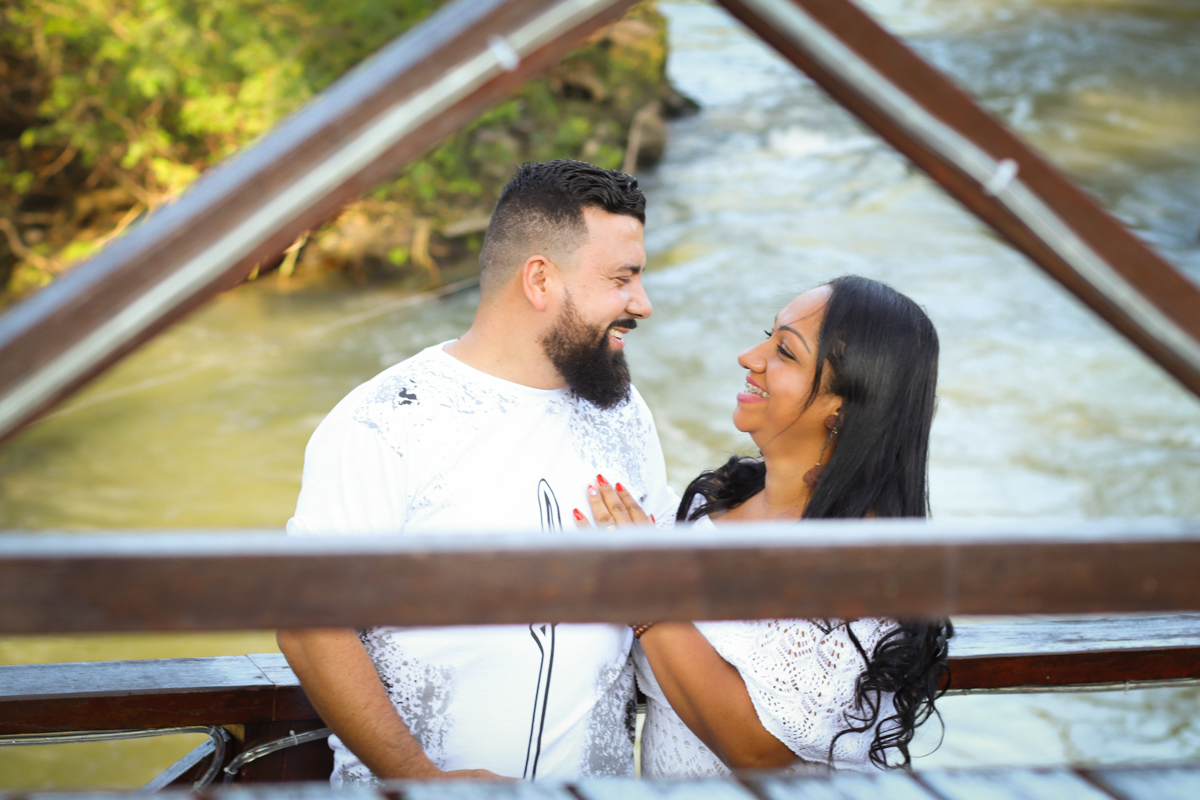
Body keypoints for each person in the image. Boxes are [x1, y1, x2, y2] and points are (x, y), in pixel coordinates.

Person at [278, 160, 678, 786]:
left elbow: (657, 593)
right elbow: (308, 622)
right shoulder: (388, 418)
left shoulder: (626, 416)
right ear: (540, 280)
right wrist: (421, 782)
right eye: (622, 279)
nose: (642, 305)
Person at [577, 275, 953, 776]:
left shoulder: (865, 561)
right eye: (767, 335)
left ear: (843, 405)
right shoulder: (712, 506)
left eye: (785, 352)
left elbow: (759, 750)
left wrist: (646, 590)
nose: (749, 357)